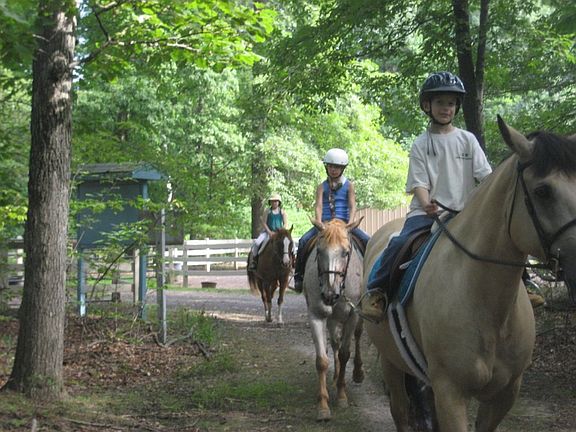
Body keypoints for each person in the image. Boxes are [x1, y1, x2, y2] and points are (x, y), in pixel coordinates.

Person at [360, 71, 492, 321]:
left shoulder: (467, 140)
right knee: (399, 243)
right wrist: (426, 203)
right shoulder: (421, 143)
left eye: (451, 103)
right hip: (427, 213)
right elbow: (419, 182)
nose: (446, 108)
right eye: (440, 102)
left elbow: (485, 176)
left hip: (464, 213)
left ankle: (525, 284)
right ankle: (376, 292)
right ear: (427, 105)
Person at [293, 148, 370, 293]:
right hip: (325, 224)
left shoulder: (349, 185)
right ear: (326, 167)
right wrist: (319, 222)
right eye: (331, 166)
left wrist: (350, 223)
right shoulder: (321, 187)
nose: (333, 170)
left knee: (367, 241)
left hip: (344, 224)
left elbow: (352, 206)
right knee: (303, 241)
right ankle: (299, 276)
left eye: (337, 167)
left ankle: (370, 278)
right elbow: (318, 206)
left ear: (343, 169)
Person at [248, 193, 288, 271]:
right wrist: (269, 232)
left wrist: (281, 231)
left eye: (276, 201)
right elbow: (264, 222)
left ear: (279, 202)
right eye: (273, 201)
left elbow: (285, 223)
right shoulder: (267, 211)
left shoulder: (282, 211)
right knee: (257, 243)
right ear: (270, 202)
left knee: (289, 243)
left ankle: (292, 261)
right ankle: (254, 261)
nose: (274, 203)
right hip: (267, 232)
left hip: (279, 233)